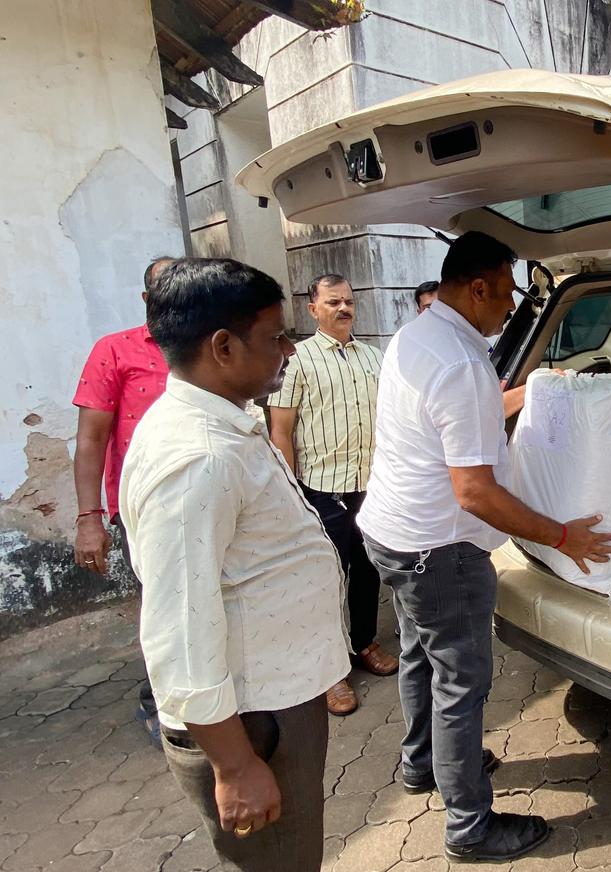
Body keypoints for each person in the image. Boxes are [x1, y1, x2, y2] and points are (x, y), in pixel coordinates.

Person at [358, 231, 611, 863]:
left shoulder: (417, 336)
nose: (511, 306)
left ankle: (423, 763)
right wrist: (563, 536)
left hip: (392, 536)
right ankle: (469, 828)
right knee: (460, 684)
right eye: (505, 293)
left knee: (420, 656)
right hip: (439, 552)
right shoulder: (462, 364)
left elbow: (460, 419)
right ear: (477, 288)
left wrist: (532, 391)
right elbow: (474, 492)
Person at [121, 258, 349, 872]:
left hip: (270, 703)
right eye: (275, 337)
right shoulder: (198, 457)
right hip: (251, 725)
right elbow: (179, 630)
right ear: (223, 347)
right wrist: (235, 765)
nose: (289, 350)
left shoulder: (219, 422)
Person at [267, 274, 397, 716]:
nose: (343, 309)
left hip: (371, 488)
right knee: (324, 579)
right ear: (313, 309)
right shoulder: (298, 360)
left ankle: (364, 643)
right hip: (321, 490)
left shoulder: (373, 357)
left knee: (367, 570)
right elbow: (281, 431)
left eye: (348, 302)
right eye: (333, 302)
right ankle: (328, 671)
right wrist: (291, 495)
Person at [72, 255, 174, 742]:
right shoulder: (114, 350)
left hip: (204, 497)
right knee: (162, 605)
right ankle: (161, 702)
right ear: (147, 298)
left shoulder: (203, 346)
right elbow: (91, 439)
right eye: (167, 289)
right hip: (142, 507)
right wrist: (88, 518)